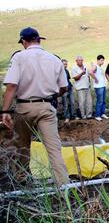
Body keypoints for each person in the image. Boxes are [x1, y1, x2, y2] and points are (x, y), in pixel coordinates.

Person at [1, 27, 70, 186]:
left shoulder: (19, 57)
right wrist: (52, 96)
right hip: (46, 107)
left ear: (24, 42)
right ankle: (63, 184)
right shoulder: (54, 59)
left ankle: (23, 179)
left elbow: (11, 86)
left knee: (22, 146)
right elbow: (64, 87)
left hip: (24, 108)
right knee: (54, 148)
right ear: (39, 40)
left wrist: (5, 110)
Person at [90, 55, 108, 121]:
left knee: (103, 101)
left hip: (102, 86)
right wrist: (96, 79)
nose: (102, 61)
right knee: (99, 101)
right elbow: (90, 72)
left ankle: (102, 113)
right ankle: (97, 115)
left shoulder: (100, 67)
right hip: (98, 87)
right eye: (101, 60)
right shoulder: (95, 66)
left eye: (103, 60)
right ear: (98, 60)